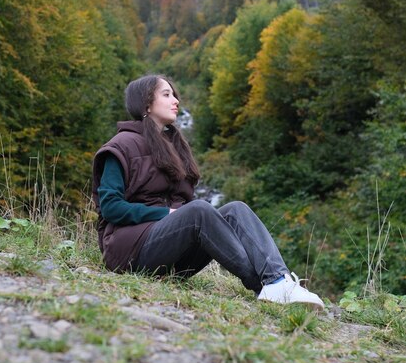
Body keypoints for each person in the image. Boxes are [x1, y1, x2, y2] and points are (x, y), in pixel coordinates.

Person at [92, 74, 325, 310]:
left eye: (174, 95)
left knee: (235, 209)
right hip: (128, 252)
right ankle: (267, 286)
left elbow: (185, 203)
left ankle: (277, 280)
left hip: (171, 257)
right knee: (200, 210)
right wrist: (166, 214)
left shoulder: (174, 146)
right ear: (146, 103)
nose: (176, 101)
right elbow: (110, 207)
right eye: (167, 94)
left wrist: (177, 215)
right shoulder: (121, 146)